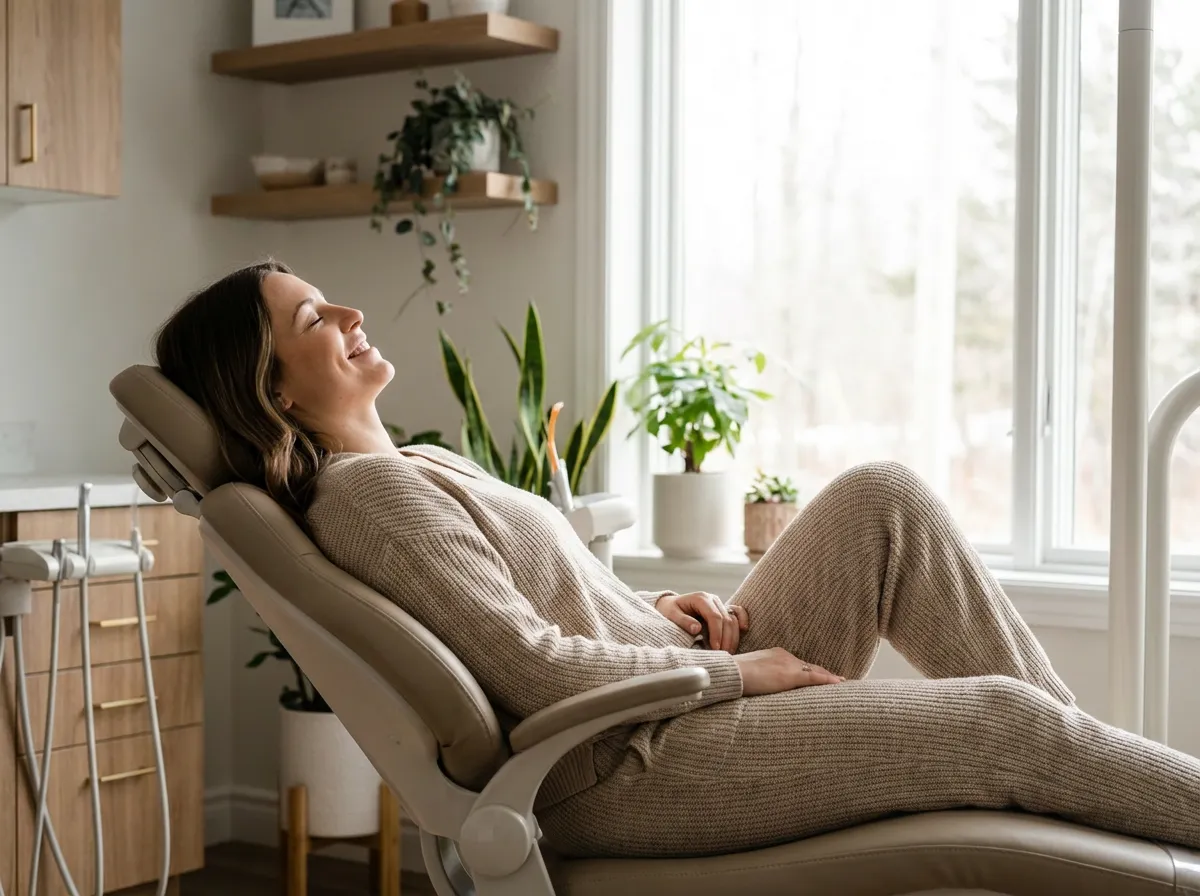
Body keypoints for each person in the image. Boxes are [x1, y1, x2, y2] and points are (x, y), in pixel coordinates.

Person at [155, 260, 1200, 858]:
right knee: (997, 724)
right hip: (623, 760)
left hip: (666, 694)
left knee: (882, 499)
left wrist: (659, 607)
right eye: (309, 318)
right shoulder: (369, 499)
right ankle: (1089, 774)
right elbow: (533, 669)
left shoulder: (415, 461)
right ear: (274, 391)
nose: (346, 312)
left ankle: (1089, 778)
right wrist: (741, 669)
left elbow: (541, 602)